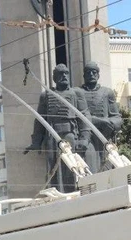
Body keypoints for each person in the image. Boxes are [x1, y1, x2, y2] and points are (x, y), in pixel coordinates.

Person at [25, 64, 91, 192]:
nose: (64, 76)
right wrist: (36, 141)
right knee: (53, 166)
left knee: (71, 165)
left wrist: (85, 138)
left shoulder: (76, 93)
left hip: (70, 134)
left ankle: (73, 192)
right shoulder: (46, 95)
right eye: (60, 74)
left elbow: (84, 116)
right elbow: (40, 119)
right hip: (52, 136)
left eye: (66, 73)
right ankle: (56, 191)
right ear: (54, 78)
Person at [76, 61, 122, 173]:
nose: (91, 74)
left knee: (108, 167)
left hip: (104, 137)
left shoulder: (107, 92)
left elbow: (117, 117)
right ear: (84, 75)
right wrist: (97, 121)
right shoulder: (77, 92)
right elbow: (76, 116)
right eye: (88, 72)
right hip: (87, 136)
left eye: (94, 72)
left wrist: (110, 123)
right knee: (90, 166)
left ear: (98, 75)